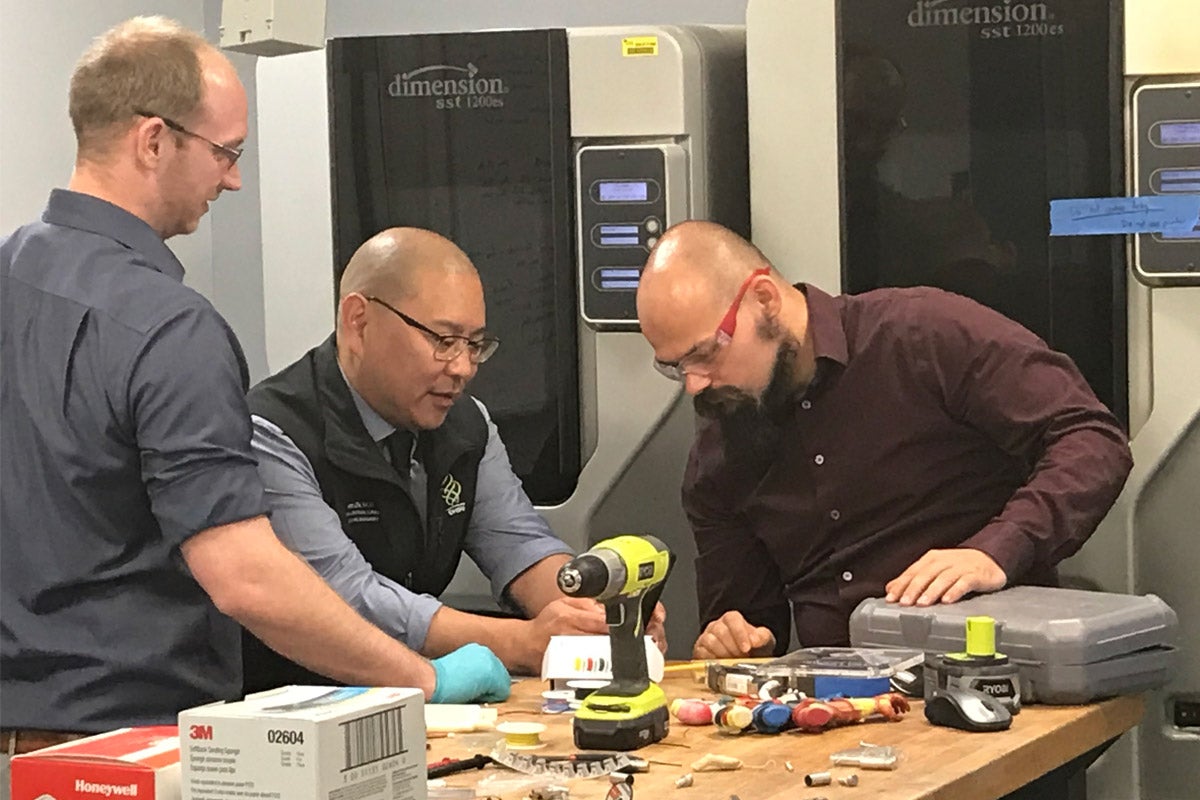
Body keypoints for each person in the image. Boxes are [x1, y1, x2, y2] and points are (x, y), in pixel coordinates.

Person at [0, 17, 509, 757]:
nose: (233, 179)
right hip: (124, 750)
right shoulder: (171, 330)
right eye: (225, 153)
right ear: (152, 141)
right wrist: (422, 681)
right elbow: (246, 578)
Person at [635, 220, 1133, 659]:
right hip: (836, 709)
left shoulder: (921, 335)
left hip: (989, 670)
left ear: (763, 299)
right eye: (675, 366)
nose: (695, 383)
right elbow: (750, 625)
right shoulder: (718, 454)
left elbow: (1091, 438)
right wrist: (732, 641)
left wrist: (996, 550)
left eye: (704, 353)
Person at [243, 226, 666, 690]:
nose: (462, 368)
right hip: (292, 710)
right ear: (358, 321)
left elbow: (518, 544)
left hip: (417, 704)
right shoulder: (271, 433)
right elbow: (346, 596)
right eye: (443, 340)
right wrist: (522, 643)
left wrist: (592, 612)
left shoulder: (465, 425)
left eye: (474, 345)